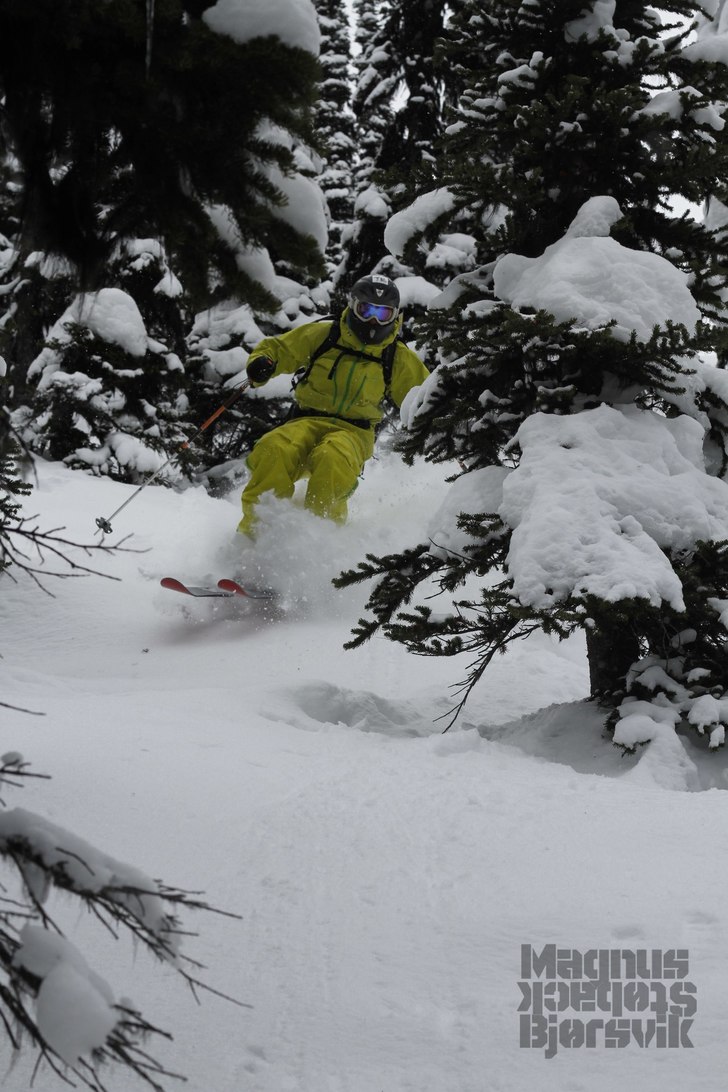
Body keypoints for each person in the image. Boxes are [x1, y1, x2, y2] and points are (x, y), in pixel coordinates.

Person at [237, 274, 430, 537]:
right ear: (353, 306)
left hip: (353, 433)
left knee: (332, 459)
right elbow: (280, 348)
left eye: (382, 314)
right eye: (366, 310)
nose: (373, 321)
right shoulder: (325, 335)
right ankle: (256, 539)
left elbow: (424, 394)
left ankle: (316, 546)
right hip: (304, 421)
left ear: (395, 316)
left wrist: (437, 422)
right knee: (274, 449)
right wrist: (264, 363)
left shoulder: (395, 356)